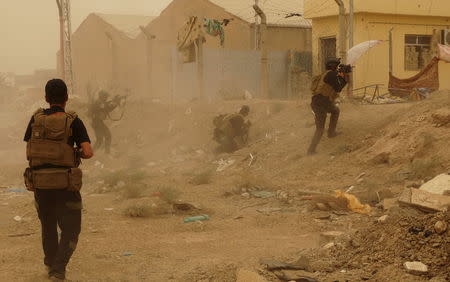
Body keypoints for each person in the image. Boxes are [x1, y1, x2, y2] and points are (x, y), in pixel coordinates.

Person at [23, 79, 93, 280]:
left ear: (46, 98)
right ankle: (58, 269)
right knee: (71, 229)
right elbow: (88, 152)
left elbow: (30, 148)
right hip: (65, 186)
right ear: (66, 98)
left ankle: (50, 264)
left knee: (48, 225)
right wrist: (74, 152)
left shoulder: (36, 119)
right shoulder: (73, 121)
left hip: (41, 186)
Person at [307, 58, 349, 155]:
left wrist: (343, 76)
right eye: (337, 66)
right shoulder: (331, 74)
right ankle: (311, 150)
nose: (338, 68)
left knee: (335, 111)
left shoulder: (327, 74)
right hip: (320, 102)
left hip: (321, 101)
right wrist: (344, 76)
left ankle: (331, 132)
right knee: (320, 129)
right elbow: (338, 87)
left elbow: (338, 86)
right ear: (333, 66)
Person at [89, 90, 120, 154]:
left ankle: (91, 153)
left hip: (97, 122)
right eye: (105, 96)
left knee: (100, 140)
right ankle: (106, 153)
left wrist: (115, 103)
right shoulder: (99, 102)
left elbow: (107, 108)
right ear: (102, 96)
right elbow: (106, 107)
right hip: (97, 122)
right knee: (106, 137)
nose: (106, 98)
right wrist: (115, 102)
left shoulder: (100, 102)